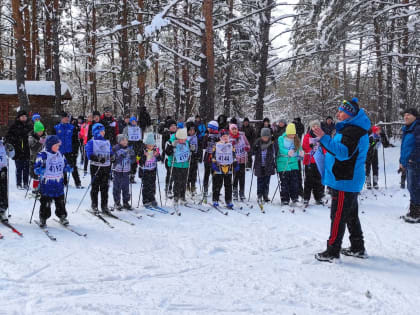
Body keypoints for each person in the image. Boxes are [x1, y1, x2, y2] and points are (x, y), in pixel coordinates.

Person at [312, 97, 370, 262]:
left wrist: (324, 138)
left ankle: (332, 251)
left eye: (341, 111)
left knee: (338, 216)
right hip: (346, 179)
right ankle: (358, 247)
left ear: (350, 114)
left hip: (345, 180)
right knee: (351, 215)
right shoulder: (349, 128)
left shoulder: (354, 131)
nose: (338, 113)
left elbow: (343, 153)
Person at [34, 135, 73, 227]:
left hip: (58, 183)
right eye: (56, 145)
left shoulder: (60, 154)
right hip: (47, 184)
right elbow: (36, 168)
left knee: (60, 201)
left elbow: (65, 164)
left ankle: (62, 216)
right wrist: (39, 170)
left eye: (58, 146)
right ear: (50, 145)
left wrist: (67, 168)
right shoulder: (43, 155)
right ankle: (43, 218)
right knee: (46, 202)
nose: (58, 147)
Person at [86, 123, 114, 214]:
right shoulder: (91, 142)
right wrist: (97, 158)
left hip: (106, 167)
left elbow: (110, 151)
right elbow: (89, 154)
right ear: (97, 132)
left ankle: (104, 205)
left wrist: (112, 156)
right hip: (96, 167)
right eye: (101, 131)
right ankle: (94, 205)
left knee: (105, 187)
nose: (103, 133)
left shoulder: (106, 142)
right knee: (95, 187)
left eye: (104, 131)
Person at [399, 108, 420, 223]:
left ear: (415, 116)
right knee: (411, 187)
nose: (406, 116)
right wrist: (401, 161)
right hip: (409, 163)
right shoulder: (407, 129)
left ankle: (416, 213)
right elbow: (404, 147)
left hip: (416, 163)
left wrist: (412, 158)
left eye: (409, 114)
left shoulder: (417, 128)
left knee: (415, 187)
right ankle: (413, 211)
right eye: (405, 115)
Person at [276, 123, 304, 205]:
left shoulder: (296, 139)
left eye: (293, 134)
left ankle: (295, 198)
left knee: (294, 182)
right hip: (283, 164)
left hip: (294, 164)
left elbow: (299, 149)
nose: (292, 136)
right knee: (284, 183)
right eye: (290, 134)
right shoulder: (281, 138)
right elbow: (280, 149)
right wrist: (287, 152)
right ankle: (285, 199)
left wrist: (301, 153)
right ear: (287, 132)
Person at [53, 112, 82, 188]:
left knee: (72, 166)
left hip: (69, 150)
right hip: (59, 151)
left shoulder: (72, 128)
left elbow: (76, 141)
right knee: (60, 166)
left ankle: (78, 183)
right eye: (64, 117)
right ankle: (63, 182)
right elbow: (52, 140)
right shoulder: (56, 127)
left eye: (67, 117)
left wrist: (75, 151)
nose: (66, 119)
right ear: (61, 118)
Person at [5, 110, 31, 189]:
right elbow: (8, 136)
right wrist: (11, 142)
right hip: (17, 150)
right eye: (22, 116)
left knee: (26, 169)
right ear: (19, 117)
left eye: (25, 116)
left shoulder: (29, 126)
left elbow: (34, 135)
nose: (24, 118)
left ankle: (26, 183)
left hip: (27, 150)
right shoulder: (14, 126)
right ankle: (19, 183)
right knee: (19, 168)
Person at [212, 129, 238, 208]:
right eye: (223, 136)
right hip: (219, 167)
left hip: (228, 168)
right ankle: (215, 199)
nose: (225, 138)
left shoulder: (231, 145)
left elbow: (233, 155)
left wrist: (235, 162)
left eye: (227, 136)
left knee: (228, 185)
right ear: (220, 137)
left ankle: (228, 200)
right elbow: (213, 155)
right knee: (217, 185)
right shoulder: (216, 145)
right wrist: (214, 163)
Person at [251, 128, 278, 203]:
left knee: (266, 181)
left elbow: (276, 151)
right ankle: (259, 195)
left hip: (268, 165)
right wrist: (255, 149)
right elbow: (252, 151)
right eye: (263, 136)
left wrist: (273, 142)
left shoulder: (272, 142)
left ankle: (265, 195)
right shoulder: (258, 142)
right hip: (259, 164)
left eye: (266, 137)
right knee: (260, 181)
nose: (265, 138)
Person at [302, 120, 325, 206]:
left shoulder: (322, 136)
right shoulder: (307, 136)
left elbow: (325, 147)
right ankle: (306, 198)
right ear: (311, 127)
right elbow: (304, 146)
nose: (315, 127)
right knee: (308, 180)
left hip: (319, 161)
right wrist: (310, 150)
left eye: (317, 126)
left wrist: (323, 152)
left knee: (318, 180)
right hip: (309, 161)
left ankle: (318, 197)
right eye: (314, 126)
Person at [165, 127, 190, 205]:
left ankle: (182, 196)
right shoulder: (171, 141)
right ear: (177, 137)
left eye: (184, 139)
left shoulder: (186, 142)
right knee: (177, 181)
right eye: (181, 139)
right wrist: (171, 146)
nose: (182, 141)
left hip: (185, 165)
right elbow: (167, 153)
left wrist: (192, 150)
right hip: (175, 165)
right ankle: (176, 197)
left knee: (184, 181)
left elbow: (189, 152)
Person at [112, 134, 136, 210]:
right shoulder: (116, 148)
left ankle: (126, 202)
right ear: (119, 141)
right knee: (117, 188)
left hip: (126, 171)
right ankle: (117, 202)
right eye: (123, 140)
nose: (125, 141)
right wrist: (119, 157)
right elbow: (113, 159)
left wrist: (132, 158)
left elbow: (133, 159)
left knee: (126, 188)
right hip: (117, 171)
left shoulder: (129, 149)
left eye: (126, 140)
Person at [138, 133, 161, 206]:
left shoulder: (155, 149)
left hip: (152, 170)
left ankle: (152, 198)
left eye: (152, 145)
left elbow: (160, 159)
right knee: (146, 186)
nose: (151, 147)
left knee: (152, 185)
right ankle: (145, 200)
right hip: (145, 170)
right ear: (146, 144)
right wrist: (144, 157)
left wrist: (157, 155)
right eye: (149, 145)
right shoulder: (142, 150)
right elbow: (138, 161)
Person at [229, 123, 250, 201]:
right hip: (234, 160)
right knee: (235, 176)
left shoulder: (242, 136)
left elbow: (248, 145)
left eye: (235, 129)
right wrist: (231, 144)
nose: (234, 130)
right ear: (230, 130)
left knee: (242, 177)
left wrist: (247, 148)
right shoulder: (229, 138)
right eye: (233, 129)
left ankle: (242, 192)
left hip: (242, 159)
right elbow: (227, 148)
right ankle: (235, 192)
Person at [202, 121, 220, 202]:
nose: (208, 129)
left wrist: (217, 141)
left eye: (209, 127)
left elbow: (221, 145)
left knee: (215, 175)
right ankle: (205, 190)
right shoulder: (207, 134)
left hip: (215, 158)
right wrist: (205, 139)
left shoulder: (218, 135)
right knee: (206, 174)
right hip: (208, 157)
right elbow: (203, 145)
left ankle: (215, 191)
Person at [28, 121, 47, 196]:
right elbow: (33, 148)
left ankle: (41, 189)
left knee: (42, 174)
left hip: (42, 158)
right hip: (34, 158)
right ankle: (35, 189)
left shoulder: (45, 135)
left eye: (42, 131)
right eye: (39, 131)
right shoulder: (31, 137)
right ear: (36, 131)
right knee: (35, 174)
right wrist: (39, 142)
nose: (41, 132)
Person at [123, 116, 143, 183]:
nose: (133, 122)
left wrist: (140, 144)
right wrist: (127, 143)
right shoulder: (127, 128)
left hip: (137, 147)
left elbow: (141, 138)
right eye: (132, 121)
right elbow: (124, 137)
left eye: (134, 121)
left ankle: (132, 176)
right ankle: (127, 175)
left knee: (135, 162)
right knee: (129, 162)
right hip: (129, 146)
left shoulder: (139, 128)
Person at [161, 119, 177, 197]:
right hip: (169, 157)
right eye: (172, 126)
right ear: (169, 127)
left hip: (177, 157)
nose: (174, 127)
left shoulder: (178, 134)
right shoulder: (166, 134)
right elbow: (163, 146)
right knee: (169, 173)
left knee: (175, 174)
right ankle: (168, 189)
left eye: (175, 126)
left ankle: (175, 189)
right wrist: (163, 155)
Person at [0, 139, 15, 222]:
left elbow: (12, 155)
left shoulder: (4, 144)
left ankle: (2, 210)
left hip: (2, 170)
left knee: (3, 190)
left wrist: (11, 149)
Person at [186, 122, 199, 196]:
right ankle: (187, 186)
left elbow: (199, 147)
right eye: (190, 130)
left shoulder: (196, 137)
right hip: (187, 157)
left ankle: (193, 186)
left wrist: (198, 154)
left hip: (194, 156)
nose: (192, 132)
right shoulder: (186, 138)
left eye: (193, 130)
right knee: (188, 172)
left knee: (194, 172)